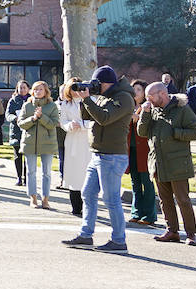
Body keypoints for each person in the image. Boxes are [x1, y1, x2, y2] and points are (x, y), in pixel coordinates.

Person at [62, 66, 136, 254]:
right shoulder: (104, 97)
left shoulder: (124, 98)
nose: (94, 87)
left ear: (105, 83)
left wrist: (88, 99)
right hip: (98, 153)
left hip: (112, 155)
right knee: (87, 193)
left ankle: (119, 240)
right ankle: (86, 235)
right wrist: (83, 100)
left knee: (111, 199)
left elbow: (104, 118)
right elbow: (89, 116)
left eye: (97, 84)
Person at [137, 81, 196, 244]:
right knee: (164, 200)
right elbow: (142, 132)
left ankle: (191, 234)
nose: (148, 100)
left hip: (177, 163)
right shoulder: (151, 110)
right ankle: (171, 231)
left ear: (162, 94)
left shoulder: (182, 110)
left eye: (150, 96)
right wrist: (144, 114)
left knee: (182, 199)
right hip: (158, 162)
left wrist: (175, 133)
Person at [18, 81, 59, 208]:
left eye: (40, 89)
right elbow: (21, 124)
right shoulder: (27, 106)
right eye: (35, 90)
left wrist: (41, 117)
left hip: (47, 143)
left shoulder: (52, 106)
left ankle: (45, 199)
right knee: (31, 172)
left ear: (46, 91)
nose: (38, 92)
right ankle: (33, 198)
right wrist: (33, 118)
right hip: (30, 143)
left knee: (46, 172)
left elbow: (53, 124)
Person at [126, 79, 160, 227]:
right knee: (135, 182)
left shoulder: (149, 107)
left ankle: (149, 215)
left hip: (145, 151)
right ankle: (136, 212)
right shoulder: (129, 107)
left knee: (147, 182)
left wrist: (139, 118)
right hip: (131, 150)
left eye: (138, 89)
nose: (135, 92)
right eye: (133, 89)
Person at [57, 79, 90, 217]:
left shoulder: (89, 101)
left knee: (86, 172)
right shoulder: (66, 104)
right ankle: (75, 207)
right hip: (72, 140)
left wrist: (82, 125)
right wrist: (69, 125)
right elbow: (62, 121)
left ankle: (88, 205)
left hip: (87, 140)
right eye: (72, 88)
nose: (76, 91)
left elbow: (95, 120)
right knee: (72, 173)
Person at [6, 80, 32, 186]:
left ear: (28, 89)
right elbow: (8, 114)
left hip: (28, 131)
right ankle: (19, 177)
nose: (22, 90)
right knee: (17, 156)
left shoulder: (32, 100)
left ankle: (26, 178)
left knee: (27, 156)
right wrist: (15, 118)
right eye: (20, 88)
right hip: (16, 131)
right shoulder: (13, 100)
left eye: (24, 87)